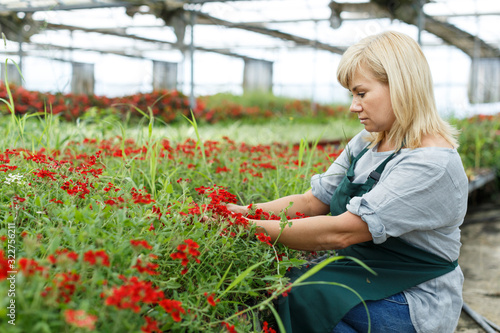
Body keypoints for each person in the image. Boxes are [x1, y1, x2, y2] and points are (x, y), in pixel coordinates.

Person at [227, 30, 468, 333]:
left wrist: (246, 229)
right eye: (352, 95)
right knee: (283, 287)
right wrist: (240, 211)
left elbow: (340, 232)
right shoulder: (369, 141)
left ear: (401, 87)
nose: (354, 106)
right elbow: (312, 202)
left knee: (300, 297)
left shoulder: (431, 162)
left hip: (413, 297)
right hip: (366, 273)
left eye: (361, 93)